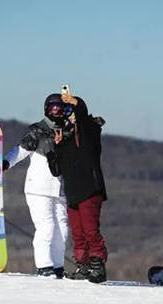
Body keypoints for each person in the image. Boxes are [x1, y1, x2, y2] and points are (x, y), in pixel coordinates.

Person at [2, 95, 72, 279]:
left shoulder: (69, 131)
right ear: (47, 109)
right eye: (53, 108)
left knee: (62, 229)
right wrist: (6, 163)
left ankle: (58, 266)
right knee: (46, 227)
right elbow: (20, 150)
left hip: (61, 188)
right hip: (39, 188)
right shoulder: (38, 131)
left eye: (59, 108)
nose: (56, 111)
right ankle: (44, 266)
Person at [48, 91, 108, 283]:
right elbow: (57, 170)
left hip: (90, 188)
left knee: (91, 230)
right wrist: (55, 148)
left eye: (70, 111)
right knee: (78, 232)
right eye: (67, 112)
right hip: (73, 191)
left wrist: (74, 102)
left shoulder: (89, 130)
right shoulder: (65, 138)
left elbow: (82, 115)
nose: (69, 115)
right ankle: (84, 266)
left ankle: (98, 265)